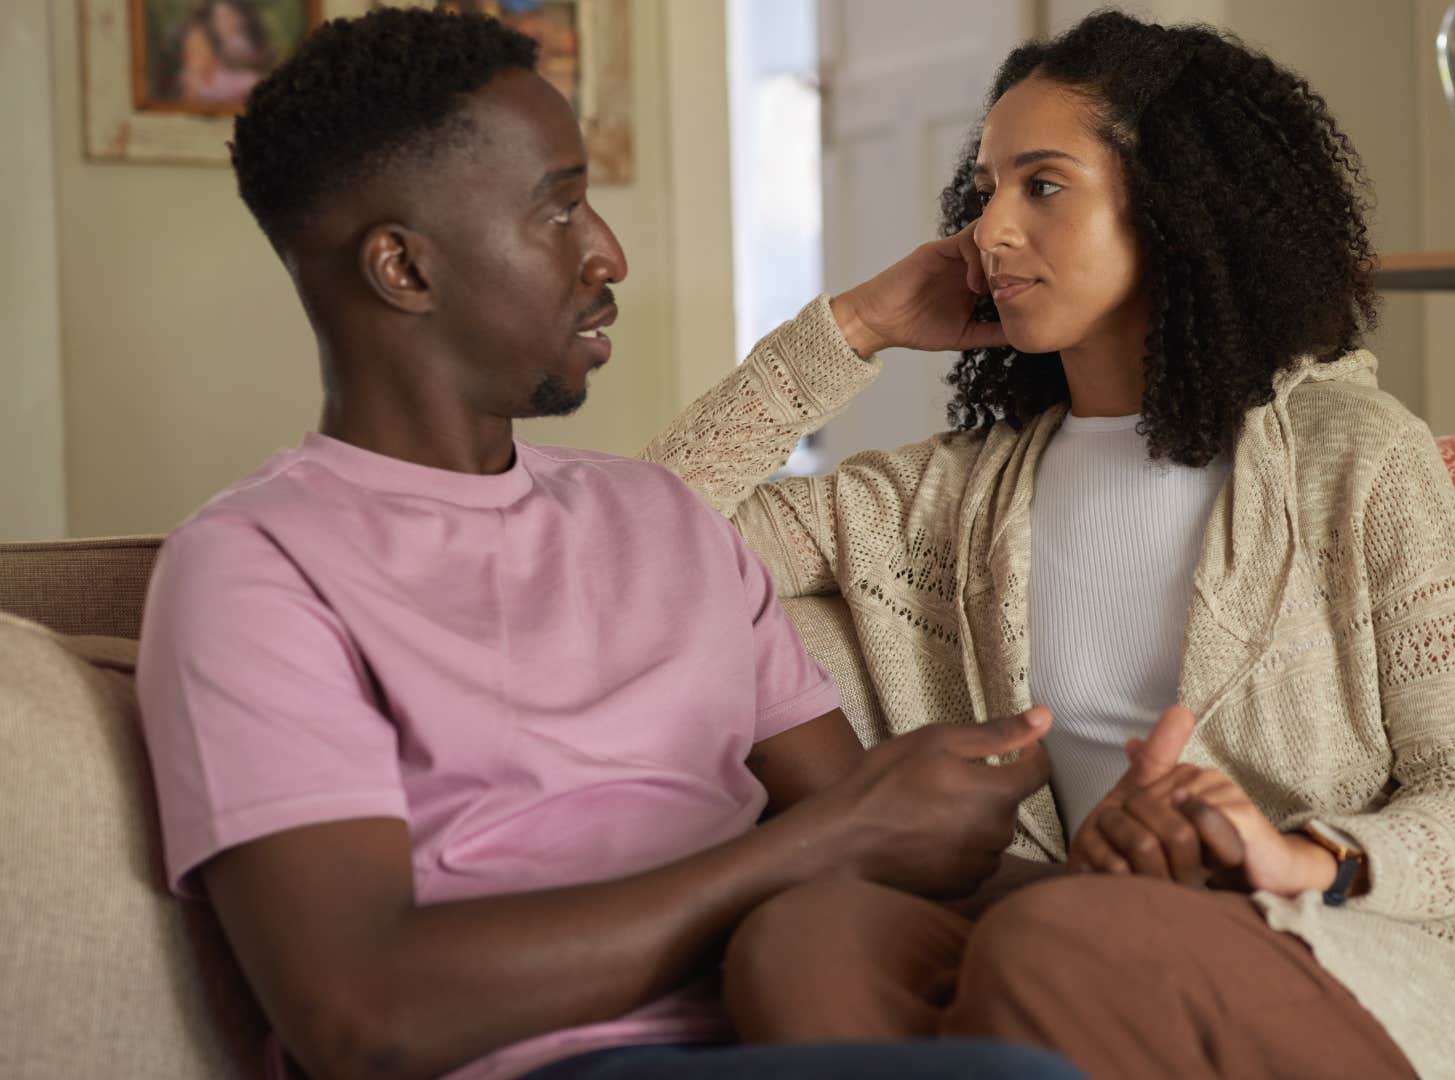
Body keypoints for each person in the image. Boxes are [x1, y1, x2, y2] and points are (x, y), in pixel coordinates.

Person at [643, 11, 1455, 1080]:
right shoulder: (943, 499)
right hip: (1062, 925)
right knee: (804, 939)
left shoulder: (1356, 456)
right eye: (986, 190)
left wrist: (1306, 857)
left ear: (1177, 209)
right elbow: (643, 545)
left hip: (1344, 946)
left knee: (1055, 944)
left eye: (1042, 186)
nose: (989, 232)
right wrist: (852, 329)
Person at [136, 10, 1087, 1080]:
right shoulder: (256, 569)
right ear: (403, 269)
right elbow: (364, 1012)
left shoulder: (659, 516)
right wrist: (818, 847)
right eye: (560, 210)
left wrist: (1173, 897)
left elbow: (879, 843)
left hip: (793, 1017)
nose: (609, 253)